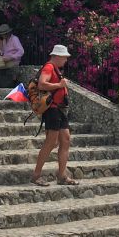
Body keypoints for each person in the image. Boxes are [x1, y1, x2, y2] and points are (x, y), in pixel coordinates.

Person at [31, 45, 77, 186]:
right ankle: (36, 175)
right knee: (51, 142)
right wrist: (59, 84)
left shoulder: (55, 68)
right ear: (57, 56)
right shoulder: (49, 67)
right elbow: (41, 84)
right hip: (52, 110)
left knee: (65, 139)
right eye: (64, 57)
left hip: (59, 109)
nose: (65, 60)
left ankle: (62, 175)